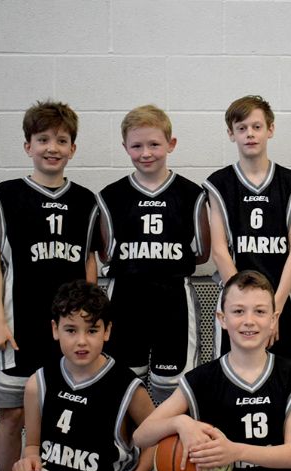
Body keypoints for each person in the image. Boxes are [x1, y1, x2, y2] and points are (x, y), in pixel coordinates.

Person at [0, 100, 99, 471]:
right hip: (18, 329)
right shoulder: (6, 196)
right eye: (43, 139)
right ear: (27, 145)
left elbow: (89, 263)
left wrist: (89, 322)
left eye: (61, 140)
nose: (52, 147)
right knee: (12, 415)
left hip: (66, 332)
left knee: (62, 414)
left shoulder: (87, 202)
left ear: (73, 148)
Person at [134, 270, 291, 471]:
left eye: (259, 312)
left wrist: (236, 451)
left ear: (274, 320)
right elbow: (141, 435)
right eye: (238, 311)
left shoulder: (290, 376)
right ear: (222, 318)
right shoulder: (202, 379)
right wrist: (180, 423)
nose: (249, 321)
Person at [0, 280, 155, 471]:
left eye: (92, 330)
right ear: (55, 329)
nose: (81, 341)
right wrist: (28, 459)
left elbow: (155, 442)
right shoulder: (38, 383)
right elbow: (32, 446)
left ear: (106, 331)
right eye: (71, 330)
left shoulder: (128, 387)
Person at [97, 104, 210, 403]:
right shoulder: (111, 196)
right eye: (137, 146)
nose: (146, 153)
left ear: (171, 144)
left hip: (174, 303)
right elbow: (106, 255)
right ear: (125, 147)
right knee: (123, 390)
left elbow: (201, 253)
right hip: (125, 303)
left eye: (154, 144)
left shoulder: (191, 195)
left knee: (173, 391)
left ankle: (166, 438)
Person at [204, 95, 291, 369]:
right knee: (232, 376)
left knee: (289, 377)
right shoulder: (218, 183)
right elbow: (219, 250)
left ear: (270, 129)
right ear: (231, 134)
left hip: (282, 297)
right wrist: (244, 306)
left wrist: (273, 310)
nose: (249, 134)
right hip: (236, 302)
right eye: (242, 128)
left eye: (256, 126)